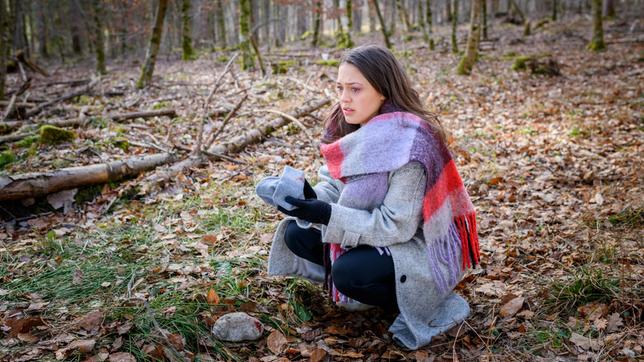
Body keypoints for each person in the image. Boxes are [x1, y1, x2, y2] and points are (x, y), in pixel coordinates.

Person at [261, 45, 480, 350]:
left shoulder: (411, 145)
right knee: (297, 233)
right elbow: (336, 188)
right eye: (339, 88)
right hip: (369, 232)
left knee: (348, 272)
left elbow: (397, 226)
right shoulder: (346, 126)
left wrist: (327, 215)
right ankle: (359, 289)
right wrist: (309, 199)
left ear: (382, 91)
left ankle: (425, 300)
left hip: (415, 246)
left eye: (355, 89)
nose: (344, 98)